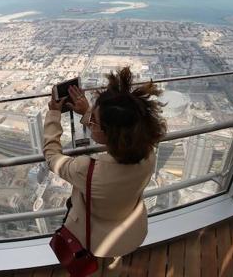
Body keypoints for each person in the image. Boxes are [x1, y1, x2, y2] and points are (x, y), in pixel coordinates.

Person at [44, 67, 166, 259]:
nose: (91, 121)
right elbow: (118, 131)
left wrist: (53, 115)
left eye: (95, 120)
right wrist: (87, 112)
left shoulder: (88, 170)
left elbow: (52, 157)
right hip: (131, 231)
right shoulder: (148, 153)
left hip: (96, 241)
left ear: (110, 134)